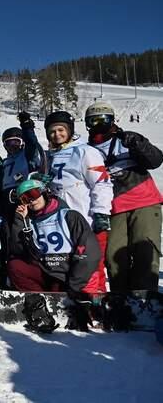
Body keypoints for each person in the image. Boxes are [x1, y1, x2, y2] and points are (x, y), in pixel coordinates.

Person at [85, 101, 163, 292]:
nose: (99, 124)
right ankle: (121, 299)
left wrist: (138, 144)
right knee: (113, 257)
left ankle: (145, 301)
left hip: (143, 201)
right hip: (113, 207)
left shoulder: (127, 140)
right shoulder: (87, 150)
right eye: (93, 121)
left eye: (103, 119)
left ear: (112, 120)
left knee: (145, 253)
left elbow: (155, 160)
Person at [41, 111, 113, 292]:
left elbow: (101, 183)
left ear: (70, 130)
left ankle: (97, 304)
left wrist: (101, 213)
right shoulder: (49, 156)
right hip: (61, 223)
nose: (56, 135)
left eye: (61, 130)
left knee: (92, 266)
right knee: (68, 266)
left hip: (86, 219)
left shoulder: (84, 151)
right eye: (52, 132)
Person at [7, 179, 103, 297]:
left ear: (44, 192)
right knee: (16, 266)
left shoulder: (69, 216)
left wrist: (74, 285)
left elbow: (90, 253)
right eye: (25, 199)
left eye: (33, 194)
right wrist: (20, 220)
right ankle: (39, 300)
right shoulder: (30, 221)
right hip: (49, 273)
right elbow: (18, 250)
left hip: (70, 275)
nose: (31, 200)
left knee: (60, 291)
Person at [0, 113, 45, 220]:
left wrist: (27, 127)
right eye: (9, 143)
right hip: (6, 198)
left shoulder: (27, 155)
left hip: (24, 195)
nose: (12, 146)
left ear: (22, 142)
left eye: (15, 142)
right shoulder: (5, 162)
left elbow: (32, 143)